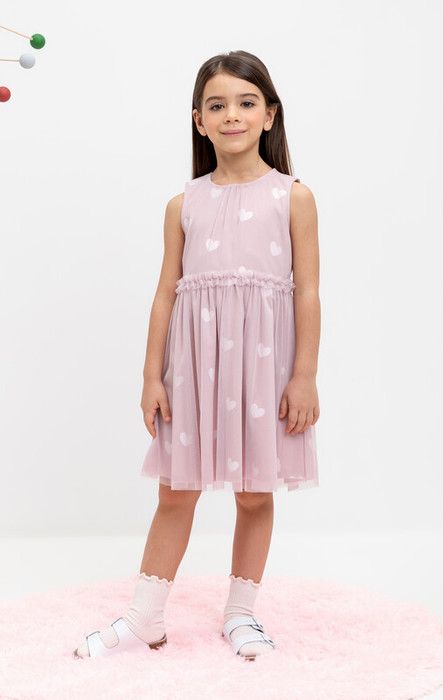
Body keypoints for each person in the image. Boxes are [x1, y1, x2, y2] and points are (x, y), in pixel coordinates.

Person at [73, 49, 320, 661]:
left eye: (246, 102)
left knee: (254, 494)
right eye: (217, 105)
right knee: (175, 491)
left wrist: (304, 376)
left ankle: (241, 614)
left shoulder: (293, 197)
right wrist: (151, 376)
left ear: (269, 115)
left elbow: (308, 292)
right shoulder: (183, 204)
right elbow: (166, 293)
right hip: (193, 369)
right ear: (199, 120)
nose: (231, 114)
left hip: (263, 369)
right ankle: (144, 618)